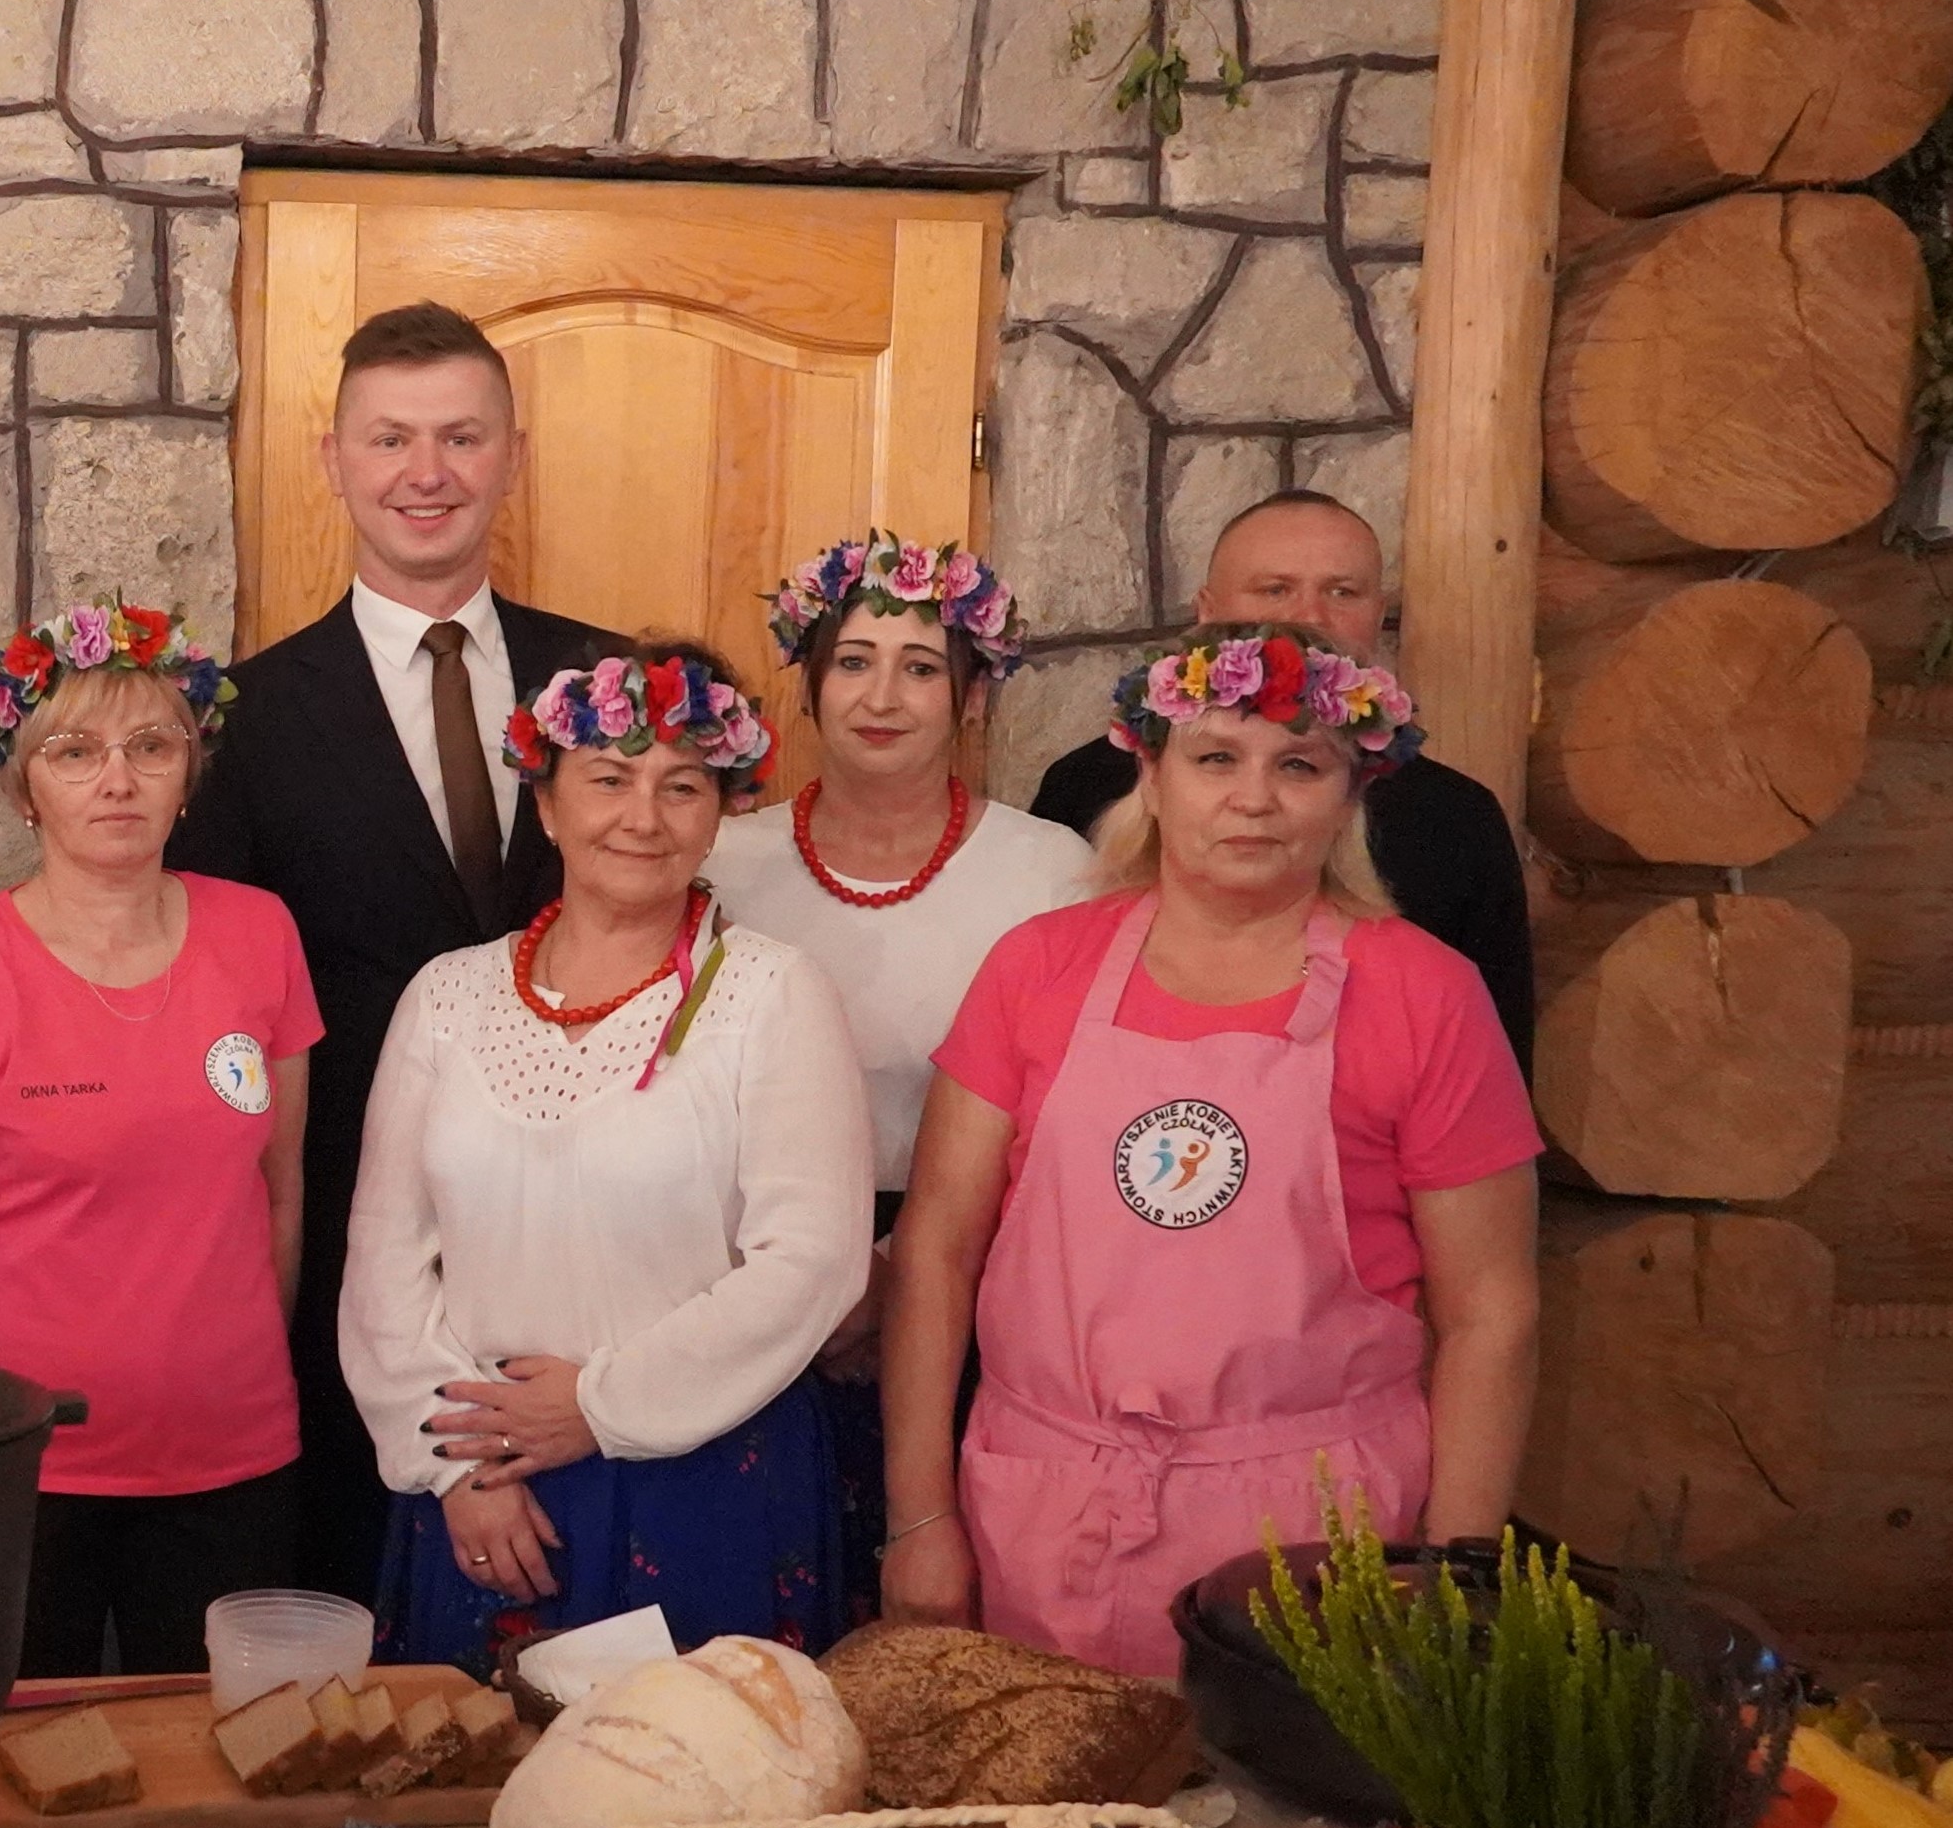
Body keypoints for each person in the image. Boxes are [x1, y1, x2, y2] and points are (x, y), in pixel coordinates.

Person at [885, 626, 1542, 1678]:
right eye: (1215, 758)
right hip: (1041, 1513)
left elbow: (1490, 1314)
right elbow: (934, 1252)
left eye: (1299, 766)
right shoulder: (1032, 969)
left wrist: (1446, 1572)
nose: (1254, 798)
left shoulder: (1427, 996)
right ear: (1150, 776)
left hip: (1319, 1541)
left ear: (1350, 793)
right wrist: (918, 1518)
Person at [165, 301, 618, 1607]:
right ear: (332, 460)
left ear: (511, 455)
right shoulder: (245, 720)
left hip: (594, 1220)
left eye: (460, 437)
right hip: (352, 1231)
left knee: (589, 1606)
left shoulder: (603, 686)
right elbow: (221, 1004)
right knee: (361, 1609)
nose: (426, 471)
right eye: (389, 438)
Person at [342, 646, 872, 1668]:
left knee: (692, 1760)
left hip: (703, 1480)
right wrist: (455, 1466)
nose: (643, 816)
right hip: (486, 1485)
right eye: (609, 779)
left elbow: (812, 1258)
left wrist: (597, 1406)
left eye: (682, 786)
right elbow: (382, 1256)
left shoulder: (772, 993)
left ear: (719, 812)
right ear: (545, 804)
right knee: (470, 1762)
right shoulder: (446, 996)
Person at [0, 604, 320, 1676]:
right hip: (23, 1469)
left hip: (233, 1459)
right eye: (75, 752)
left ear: (187, 774)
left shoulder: (260, 932)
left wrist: (222, 1375)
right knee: (20, 1753)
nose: (116, 779)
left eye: (150, 747)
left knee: (226, 1745)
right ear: (24, 785)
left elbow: (280, 1195)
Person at [714, 533, 1091, 1617]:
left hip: (972, 1285)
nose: (881, 696)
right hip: (749, 1285)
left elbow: (1066, 1124)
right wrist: (812, 1281)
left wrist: (894, 1276)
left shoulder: (1050, 871)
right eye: (852, 661)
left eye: (920, 667)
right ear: (808, 684)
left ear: (969, 698)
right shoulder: (718, 861)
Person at [1028, 490, 1535, 1062]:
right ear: (1207, 612)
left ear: (1378, 616)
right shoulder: (1086, 785)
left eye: (1342, 592)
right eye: (1274, 589)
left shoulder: (1458, 818)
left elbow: (1493, 1061)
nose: (1309, 617)